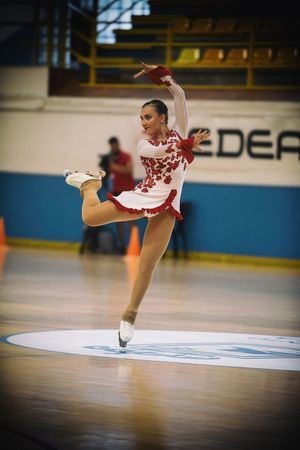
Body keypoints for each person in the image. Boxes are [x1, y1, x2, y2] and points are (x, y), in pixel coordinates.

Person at [64, 62, 210, 348]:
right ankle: (90, 184)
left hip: (167, 205)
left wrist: (162, 75)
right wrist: (186, 143)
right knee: (91, 219)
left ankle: (129, 316)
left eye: (148, 117)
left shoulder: (179, 133)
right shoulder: (145, 146)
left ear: (163, 118)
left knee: (147, 266)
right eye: (141, 118)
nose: (143, 123)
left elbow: (179, 96)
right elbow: (162, 149)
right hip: (144, 196)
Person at [107, 136, 136, 254]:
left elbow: (128, 170)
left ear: (118, 144)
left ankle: (134, 246)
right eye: (112, 146)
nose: (114, 147)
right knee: (118, 221)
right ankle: (123, 247)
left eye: (115, 145)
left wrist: (114, 167)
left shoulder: (126, 156)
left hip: (128, 191)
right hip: (117, 192)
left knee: (131, 220)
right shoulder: (110, 158)